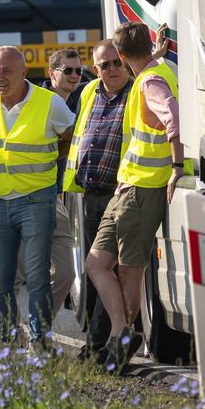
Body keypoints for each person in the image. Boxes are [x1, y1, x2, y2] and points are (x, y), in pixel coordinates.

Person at [85, 22, 182, 373]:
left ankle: (122, 337)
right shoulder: (152, 71)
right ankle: (122, 331)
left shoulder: (151, 81)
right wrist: (155, 51)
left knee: (130, 272)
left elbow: (172, 115)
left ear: (122, 57)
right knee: (95, 264)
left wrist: (176, 166)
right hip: (127, 188)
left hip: (142, 190)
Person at [0, 46, 74, 355]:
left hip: (36, 200)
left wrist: (49, 161)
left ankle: (39, 342)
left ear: (23, 73)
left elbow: (71, 138)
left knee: (38, 276)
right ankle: (6, 343)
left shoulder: (49, 104)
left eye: (6, 71)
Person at [62, 39, 133, 359]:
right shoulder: (90, 93)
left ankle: (108, 343)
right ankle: (97, 342)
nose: (112, 69)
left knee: (108, 270)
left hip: (120, 194)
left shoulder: (136, 92)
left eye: (117, 62)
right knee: (94, 272)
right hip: (89, 195)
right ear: (96, 69)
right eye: (105, 65)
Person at [16, 48, 84, 318]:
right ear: (51, 72)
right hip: (25, 196)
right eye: (67, 70)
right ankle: (10, 343)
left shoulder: (74, 101)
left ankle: (38, 329)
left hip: (55, 198)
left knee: (66, 274)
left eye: (78, 70)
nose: (75, 76)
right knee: (16, 276)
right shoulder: (39, 101)